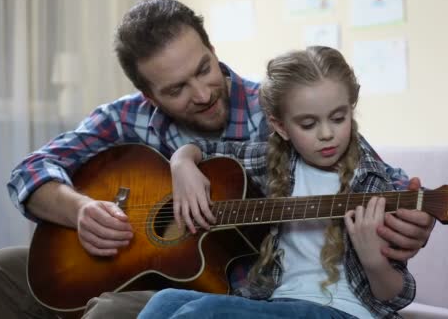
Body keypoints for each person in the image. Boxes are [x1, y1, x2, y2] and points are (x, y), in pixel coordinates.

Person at [0, 0, 433, 319]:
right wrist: (83, 210)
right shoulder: (126, 117)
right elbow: (29, 171)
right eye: (176, 89)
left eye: (203, 69)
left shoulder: (283, 112)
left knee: (112, 312)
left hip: (219, 287)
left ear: (213, 50)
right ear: (148, 95)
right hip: (129, 263)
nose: (201, 94)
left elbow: (362, 173)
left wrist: (410, 221)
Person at [139, 46, 418, 319]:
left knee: (204, 313)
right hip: (279, 302)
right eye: (308, 124)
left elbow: (395, 296)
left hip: (345, 311)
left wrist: (373, 261)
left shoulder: (371, 183)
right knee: (165, 301)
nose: (326, 134)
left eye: (338, 118)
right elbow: (204, 150)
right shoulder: (277, 162)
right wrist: (181, 162)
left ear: (351, 109)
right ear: (281, 127)